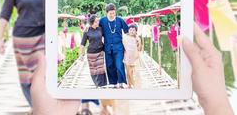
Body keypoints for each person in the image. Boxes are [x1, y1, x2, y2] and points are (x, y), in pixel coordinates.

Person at [31, 23, 234, 115]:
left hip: (131, 59)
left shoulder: (131, 37)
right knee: (111, 87)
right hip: (110, 58)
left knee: (128, 83)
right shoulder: (113, 33)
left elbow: (137, 46)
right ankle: (105, 107)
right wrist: (216, 105)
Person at [0, 0, 45, 109]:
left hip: (43, 36)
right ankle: (36, 108)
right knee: (26, 77)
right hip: (22, 38)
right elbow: (4, 15)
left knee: (43, 74)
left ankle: (44, 107)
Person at [99, 3, 129, 88]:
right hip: (107, 47)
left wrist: (135, 39)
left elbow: (127, 31)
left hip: (118, 47)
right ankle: (113, 82)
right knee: (110, 65)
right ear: (107, 13)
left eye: (113, 13)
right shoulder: (103, 21)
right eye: (110, 13)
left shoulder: (120, 20)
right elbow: (97, 30)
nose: (112, 15)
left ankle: (122, 82)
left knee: (119, 65)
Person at [80, 14, 107, 88]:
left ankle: (102, 85)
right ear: (92, 22)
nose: (97, 23)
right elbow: (82, 44)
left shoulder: (100, 29)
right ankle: (97, 84)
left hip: (100, 52)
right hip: (91, 54)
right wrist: (81, 55)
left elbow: (107, 37)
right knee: (94, 70)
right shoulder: (87, 31)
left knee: (100, 69)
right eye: (96, 21)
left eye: (98, 21)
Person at [123, 24, 142, 88]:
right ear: (128, 30)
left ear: (136, 31)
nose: (132, 31)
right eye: (130, 30)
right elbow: (123, 46)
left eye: (133, 30)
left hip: (135, 58)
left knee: (136, 72)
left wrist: (138, 42)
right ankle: (129, 85)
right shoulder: (125, 37)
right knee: (129, 73)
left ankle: (135, 85)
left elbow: (139, 48)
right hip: (127, 58)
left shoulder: (138, 38)